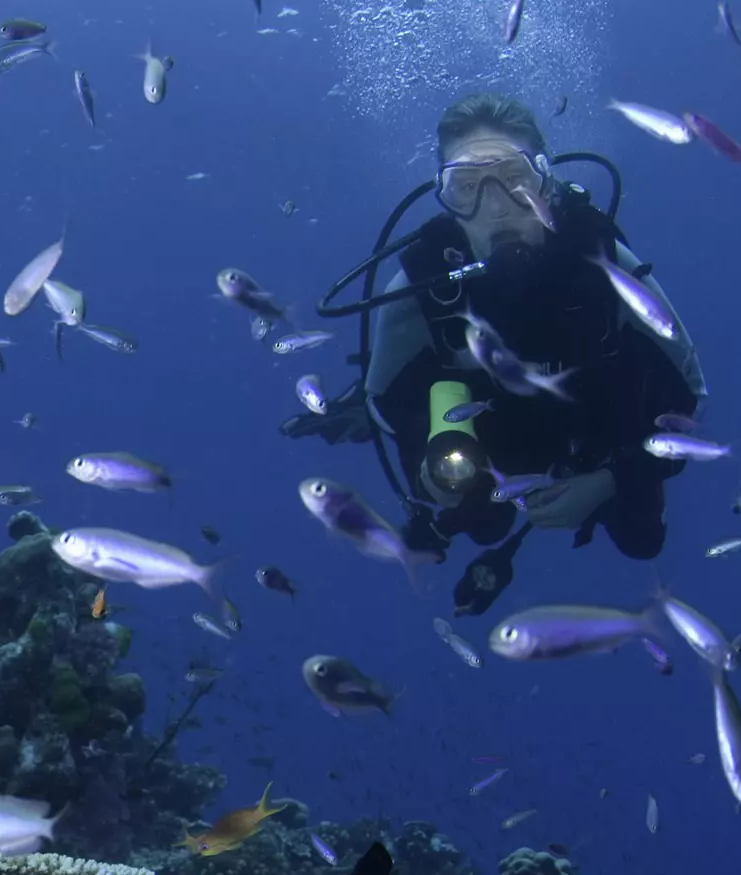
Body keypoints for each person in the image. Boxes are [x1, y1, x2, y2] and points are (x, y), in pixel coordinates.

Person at [288, 92, 706, 610]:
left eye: (514, 179)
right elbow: (385, 398)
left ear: (545, 182)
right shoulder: (424, 280)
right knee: (482, 524)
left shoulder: (602, 260)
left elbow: (687, 391)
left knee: (642, 539)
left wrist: (611, 479)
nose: (494, 206)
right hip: (490, 443)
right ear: (447, 202)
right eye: (465, 187)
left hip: (601, 432)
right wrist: (426, 465)